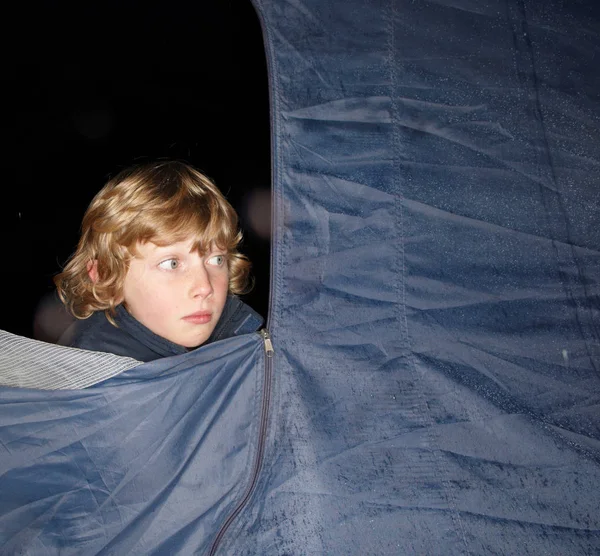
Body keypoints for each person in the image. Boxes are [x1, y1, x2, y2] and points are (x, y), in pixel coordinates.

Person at [55, 160, 263, 362]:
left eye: (217, 259)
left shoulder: (243, 355)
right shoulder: (98, 387)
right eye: (172, 263)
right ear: (105, 277)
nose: (204, 287)